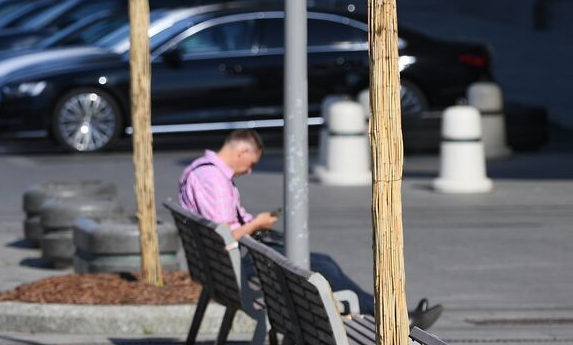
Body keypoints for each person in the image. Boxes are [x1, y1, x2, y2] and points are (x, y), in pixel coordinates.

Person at [179, 129, 442, 328]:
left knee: (321, 261)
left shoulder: (198, 169)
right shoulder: (214, 179)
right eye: (252, 163)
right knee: (322, 267)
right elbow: (224, 235)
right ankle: (392, 319)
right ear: (241, 152)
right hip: (238, 262)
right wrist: (257, 224)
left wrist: (258, 222)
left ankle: (385, 314)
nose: (249, 171)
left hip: (224, 266)